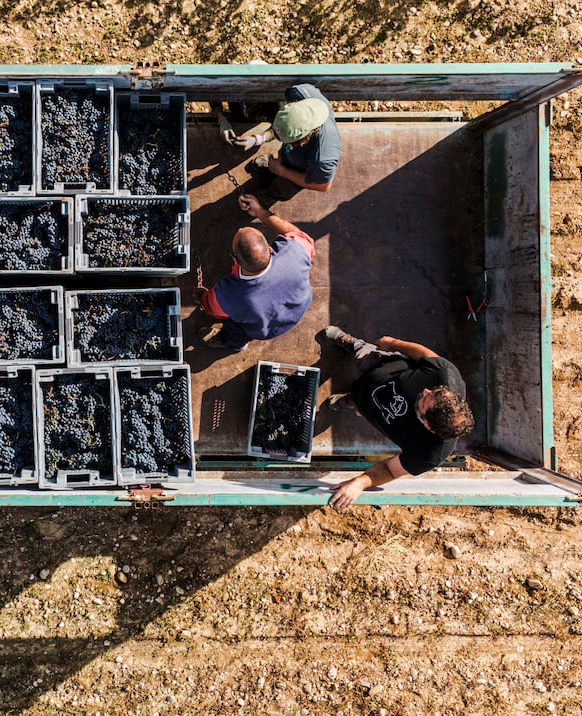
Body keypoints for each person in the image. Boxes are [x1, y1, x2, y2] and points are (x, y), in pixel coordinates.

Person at [318, 327, 474, 507]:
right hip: (381, 366)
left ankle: (353, 399)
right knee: (363, 354)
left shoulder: (431, 453)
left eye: (425, 400)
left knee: (362, 404)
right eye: (432, 392)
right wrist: (392, 343)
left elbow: (390, 470)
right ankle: (353, 344)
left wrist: (360, 482)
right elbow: (423, 354)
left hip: (375, 410)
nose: (425, 391)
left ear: (428, 425)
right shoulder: (445, 375)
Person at [194, 193, 314, 351]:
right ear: (270, 248)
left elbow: (211, 308)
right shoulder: (295, 249)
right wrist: (261, 212)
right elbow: (299, 236)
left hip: (263, 329)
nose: (240, 228)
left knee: (235, 328)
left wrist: (200, 296)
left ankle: (236, 344)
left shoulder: (229, 293)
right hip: (298, 308)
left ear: (235, 260)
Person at [216, 83, 342, 199]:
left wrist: (281, 171)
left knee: (283, 188)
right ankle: (277, 162)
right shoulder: (298, 93)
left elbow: (322, 185)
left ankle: (266, 198)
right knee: (284, 154)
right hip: (290, 154)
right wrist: (257, 139)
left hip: (302, 170)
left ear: (303, 138)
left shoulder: (323, 157)